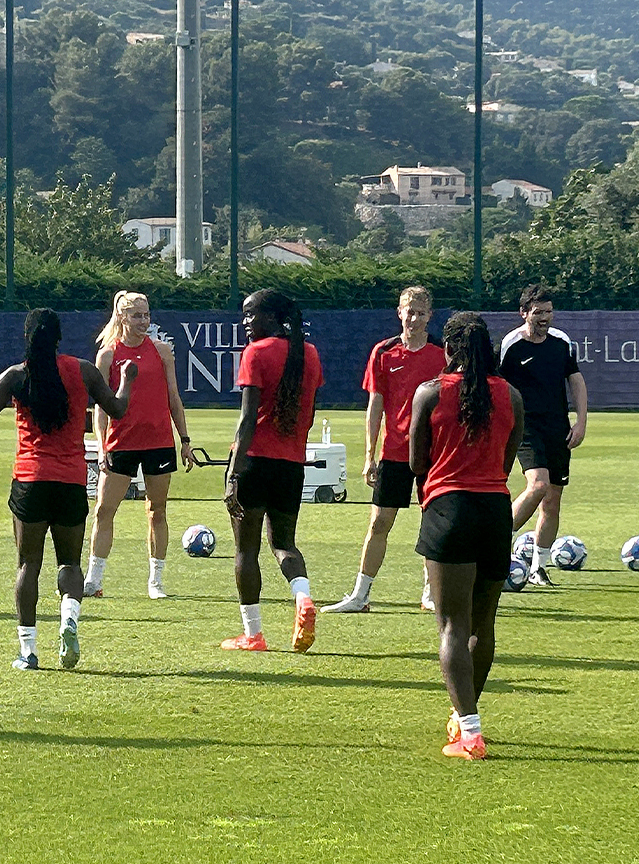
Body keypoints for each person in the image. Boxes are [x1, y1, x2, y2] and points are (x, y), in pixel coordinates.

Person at [0, 309, 135, 670]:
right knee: (69, 562)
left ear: (27, 337)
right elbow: (117, 408)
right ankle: (69, 619)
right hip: (69, 482)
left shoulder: (16, 376)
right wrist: (127, 379)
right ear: (59, 337)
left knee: (27, 565)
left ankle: (28, 651)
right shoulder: (83, 371)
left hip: (30, 480)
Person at [409, 312, 522, 758]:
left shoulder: (431, 393)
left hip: (448, 509)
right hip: (495, 511)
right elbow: (507, 459)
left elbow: (418, 462)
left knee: (451, 625)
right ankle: (466, 718)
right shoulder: (510, 394)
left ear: (449, 350)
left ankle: (470, 731)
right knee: (483, 623)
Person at [324, 285, 445, 614]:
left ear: (429, 316)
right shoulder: (384, 352)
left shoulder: (442, 353)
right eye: (409, 311)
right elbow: (375, 406)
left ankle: (431, 593)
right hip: (393, 453)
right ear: (399, 312)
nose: (414, 318)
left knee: (432, 522)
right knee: (379, 523)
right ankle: (360, 595)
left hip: (433, 454)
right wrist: (368, 456)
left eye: (421, 313)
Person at [221, 288, 324, 652]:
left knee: (245, 551)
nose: (246, 322)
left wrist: (234, 474)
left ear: (273, 318)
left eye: (252, 315)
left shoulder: (256, 353)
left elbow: (247, 419)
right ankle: (303, 598)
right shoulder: (309, 354)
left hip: (254, 462)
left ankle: (253, 634)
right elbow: (308, 416)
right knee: (284, 543)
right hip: (291, 465)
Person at [83, 291, 193, 600]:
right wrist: (102, 447)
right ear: (122, 317)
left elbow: (174, 397)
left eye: (146, 315)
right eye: (137, 315)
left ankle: (156, 581)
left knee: (156, 510)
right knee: (104, 511)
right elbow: (101, 407)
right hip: (121, 443)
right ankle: (94, 579)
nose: (143, 321)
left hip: (158, 442)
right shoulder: (107, 355)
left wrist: (184, 440)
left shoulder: (162, 351)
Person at [497, 285, 587, 586]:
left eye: (549, 312)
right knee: (538, 485)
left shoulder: (561, 342)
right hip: (524, 427)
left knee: (552, 501)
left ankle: (538, 567)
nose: (545, 318)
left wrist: (581, 421)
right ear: (524, 313)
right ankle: (495, 540)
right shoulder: (511, 344)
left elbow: (575, 380)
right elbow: (496, 384)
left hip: (558, 429)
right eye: (538, 312)